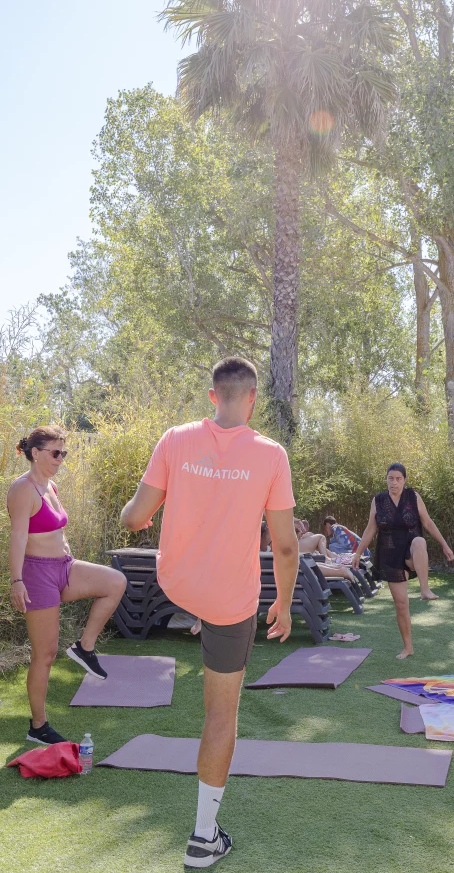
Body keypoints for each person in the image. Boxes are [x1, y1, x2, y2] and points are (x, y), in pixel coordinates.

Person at [120, 357, 299, 869]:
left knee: (188, 593)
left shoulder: (174, 439)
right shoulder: (271, 454)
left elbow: (134, 518)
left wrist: (147, 511)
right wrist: (283, 605)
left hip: (175, 582)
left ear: (212, 395)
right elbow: (285, 548)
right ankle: (203, 838)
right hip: (228, 600)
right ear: (252, 399)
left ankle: (186, 614)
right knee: (220, 716)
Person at [7, 424, 127, 745]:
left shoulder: (51, 486)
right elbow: (18, 538)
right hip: (37, 575)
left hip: (64, 567)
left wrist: (68, 550)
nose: (61, 458)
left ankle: (84, 647)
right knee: (44, 654)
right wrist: (16, 580)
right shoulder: (23, 490)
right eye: (56, 453)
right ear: (35, 453)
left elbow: (57, 527)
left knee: (115, 582)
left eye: (64, 453)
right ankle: (39, 725)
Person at [351, 463, 454, 659]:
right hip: (389, 553)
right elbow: (370, 529)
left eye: (398, 479)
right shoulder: (379, 500)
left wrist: (444, 545)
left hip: (411, 551)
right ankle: (408, 647)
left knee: (420, 541)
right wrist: (358, 553)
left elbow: (428, 522)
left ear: (404, 480)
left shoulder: (413, 497)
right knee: (401, 604)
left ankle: (425, 589)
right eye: (391, 478)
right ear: (386, 479)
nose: (394, 482)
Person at [294, 519, 358, 584]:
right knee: (320, 538)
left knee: (309, 563)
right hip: (296, 566)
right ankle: (338, 567)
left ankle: (337, 566)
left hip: (298, 562)